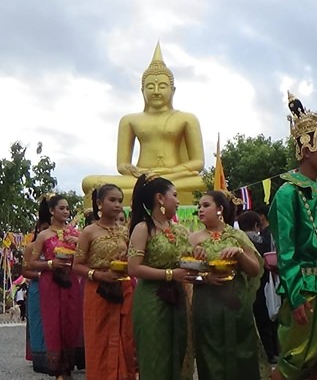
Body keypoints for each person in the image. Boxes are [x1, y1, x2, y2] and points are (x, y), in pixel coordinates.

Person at [269, 92, 317, 380]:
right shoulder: (288, 193)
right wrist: (296, 294)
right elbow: (286, 251)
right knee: (295, 360)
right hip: (305, 287)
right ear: (306, 148)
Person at [82, 43, 205, 206]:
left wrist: (167, 172)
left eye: (162, 86)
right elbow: (122, 164)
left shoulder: (187, 118)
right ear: (142, 91)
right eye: (150, 86)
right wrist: (140, 173)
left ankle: (159, 186)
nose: (156, 91)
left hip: (174, 176)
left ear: (173, 90)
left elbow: (198, 162)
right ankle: (154, 187)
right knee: (89, 182)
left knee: (202, 183)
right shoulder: (129, 120)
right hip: (139, 178)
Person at [186, 191, 267, 379]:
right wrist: (205, 277)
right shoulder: (193, 239)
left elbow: (255, 270)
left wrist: (239, 254)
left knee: (242, 354)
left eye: (206, 205)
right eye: (199, 206)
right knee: (210, 355)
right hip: (207, 305)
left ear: (220, 209)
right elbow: (186, 275)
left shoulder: (236, 236)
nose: (200, 210)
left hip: (235, 303)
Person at [127, 174, 196, 380]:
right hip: (151, 300)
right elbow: (133, 268)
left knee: (179, 351)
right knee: (155, 356)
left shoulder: (181, 230)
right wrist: (170, 274)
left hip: (178, 298)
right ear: (160, 198)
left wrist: (197, 257)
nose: (178, 200)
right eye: (174, 195)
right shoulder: (143, 228)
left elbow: (187, 258)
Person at [74, 184, 136, 380]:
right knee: (99, 339)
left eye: (120, 200)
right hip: (98, 290)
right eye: (112, 200)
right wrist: (98, 275)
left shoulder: (125, 232)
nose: (118, 205)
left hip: (123, 288)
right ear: (100, 203)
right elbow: (76, 265)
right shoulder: (89, 232)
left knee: (125, 337)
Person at [29, 194, 85, 380]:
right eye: (62, 208)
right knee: (54, 322)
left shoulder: (76, 234)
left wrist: (78, 247)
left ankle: (69, 366)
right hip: (50, 283)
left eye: (68, 209)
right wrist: (51, 265)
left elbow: (87, 257)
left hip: (71, 281)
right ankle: (58, 370)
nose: (66, 212)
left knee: (72, 321)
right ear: (52, 211)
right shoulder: (44, 236)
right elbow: (32, 263)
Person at [239, 210, 279, 364]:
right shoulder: (262, 242)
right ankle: (270, 352)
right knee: (265, 321)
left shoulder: (237, 242)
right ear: (256, 225)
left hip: (243, 290)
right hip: (262, 287)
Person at [23, 217, 51, 374]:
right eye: (44, 228)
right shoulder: (31, 247)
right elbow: (25, 271)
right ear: (38, 229)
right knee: (37, 322)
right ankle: (40, 359)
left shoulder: (56, 247)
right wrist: (42, 276)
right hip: (37, 287)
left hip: (54, 288)